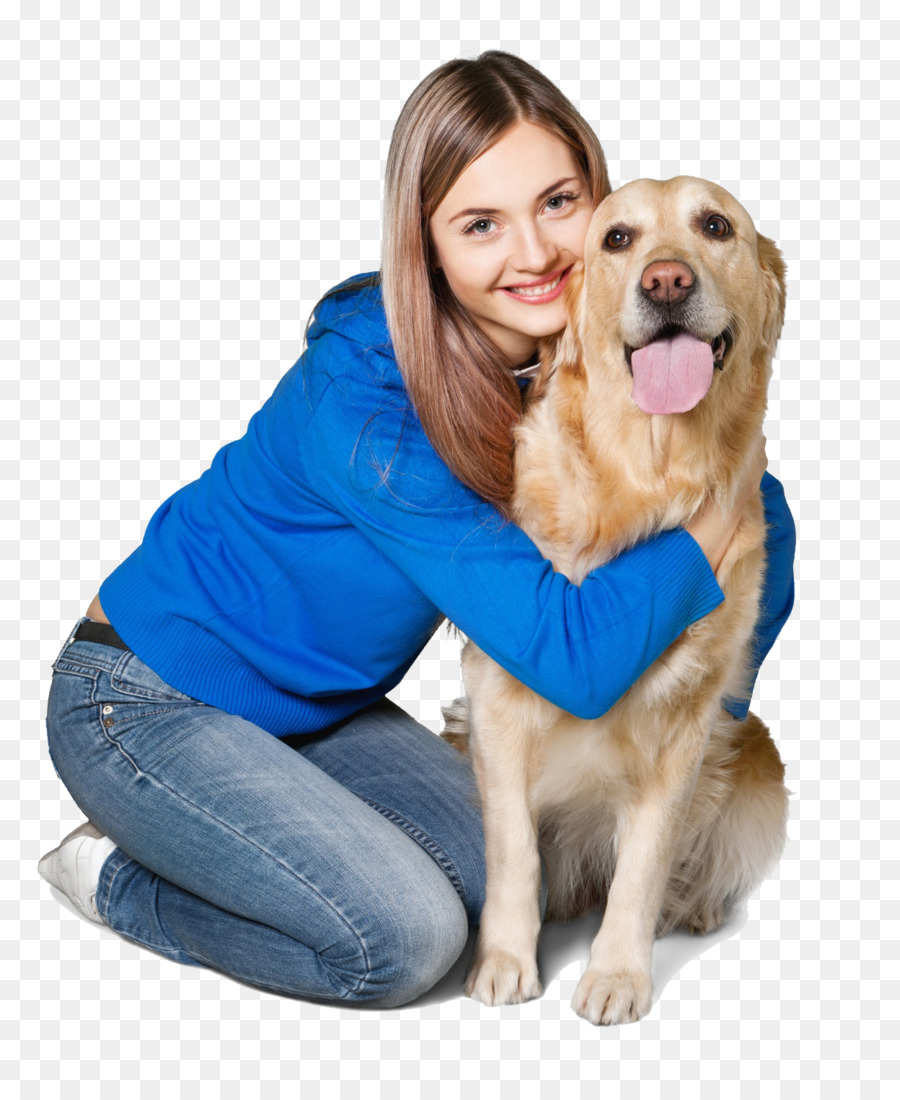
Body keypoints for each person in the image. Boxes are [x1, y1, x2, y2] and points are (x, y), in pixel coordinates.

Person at [39, 51, 795, 1008]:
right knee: (399, 941)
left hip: (319, 709)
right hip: (145, 695)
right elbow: (572, 656)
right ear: (426, 245)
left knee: (495, 884)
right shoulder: (366, 409)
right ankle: (119, 880)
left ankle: (244, 838)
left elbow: (758, 523)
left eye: (559, 203)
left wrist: (713, 678)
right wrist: (710, 531)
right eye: (481, 225)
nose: (533, 253)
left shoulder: (568, 367)